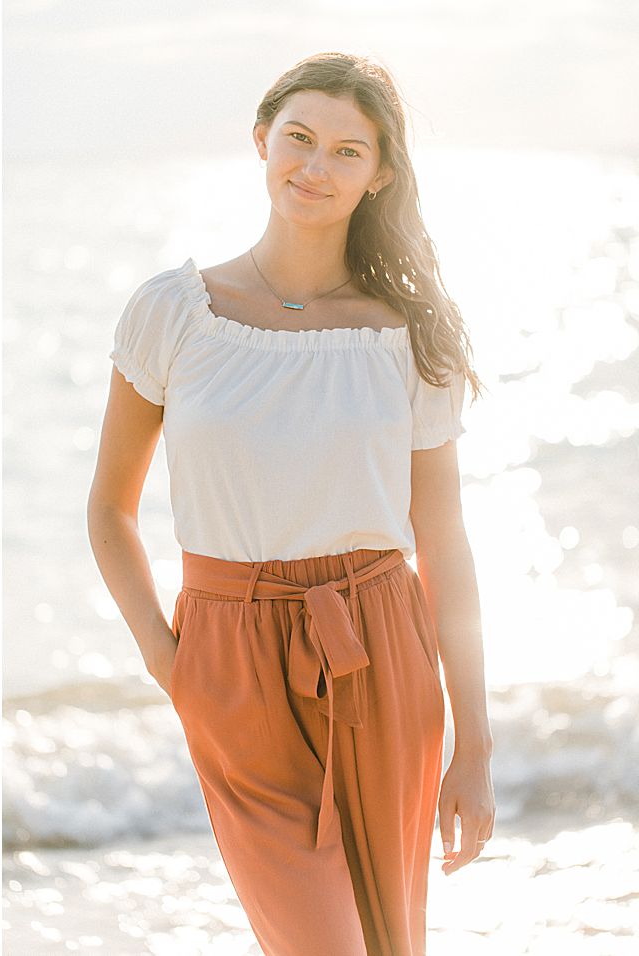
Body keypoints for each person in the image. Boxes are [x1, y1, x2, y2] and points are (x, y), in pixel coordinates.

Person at [87, 52, 495, 955]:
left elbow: (443, 540)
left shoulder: (410, 334)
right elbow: (110, 508)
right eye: (300, 138)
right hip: (228, 653)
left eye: (348, 151)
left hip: (381, 643)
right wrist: (169, 660)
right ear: (262, 139)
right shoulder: (175, 313)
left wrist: (475, 745)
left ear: (379, 173)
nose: (316, 167)